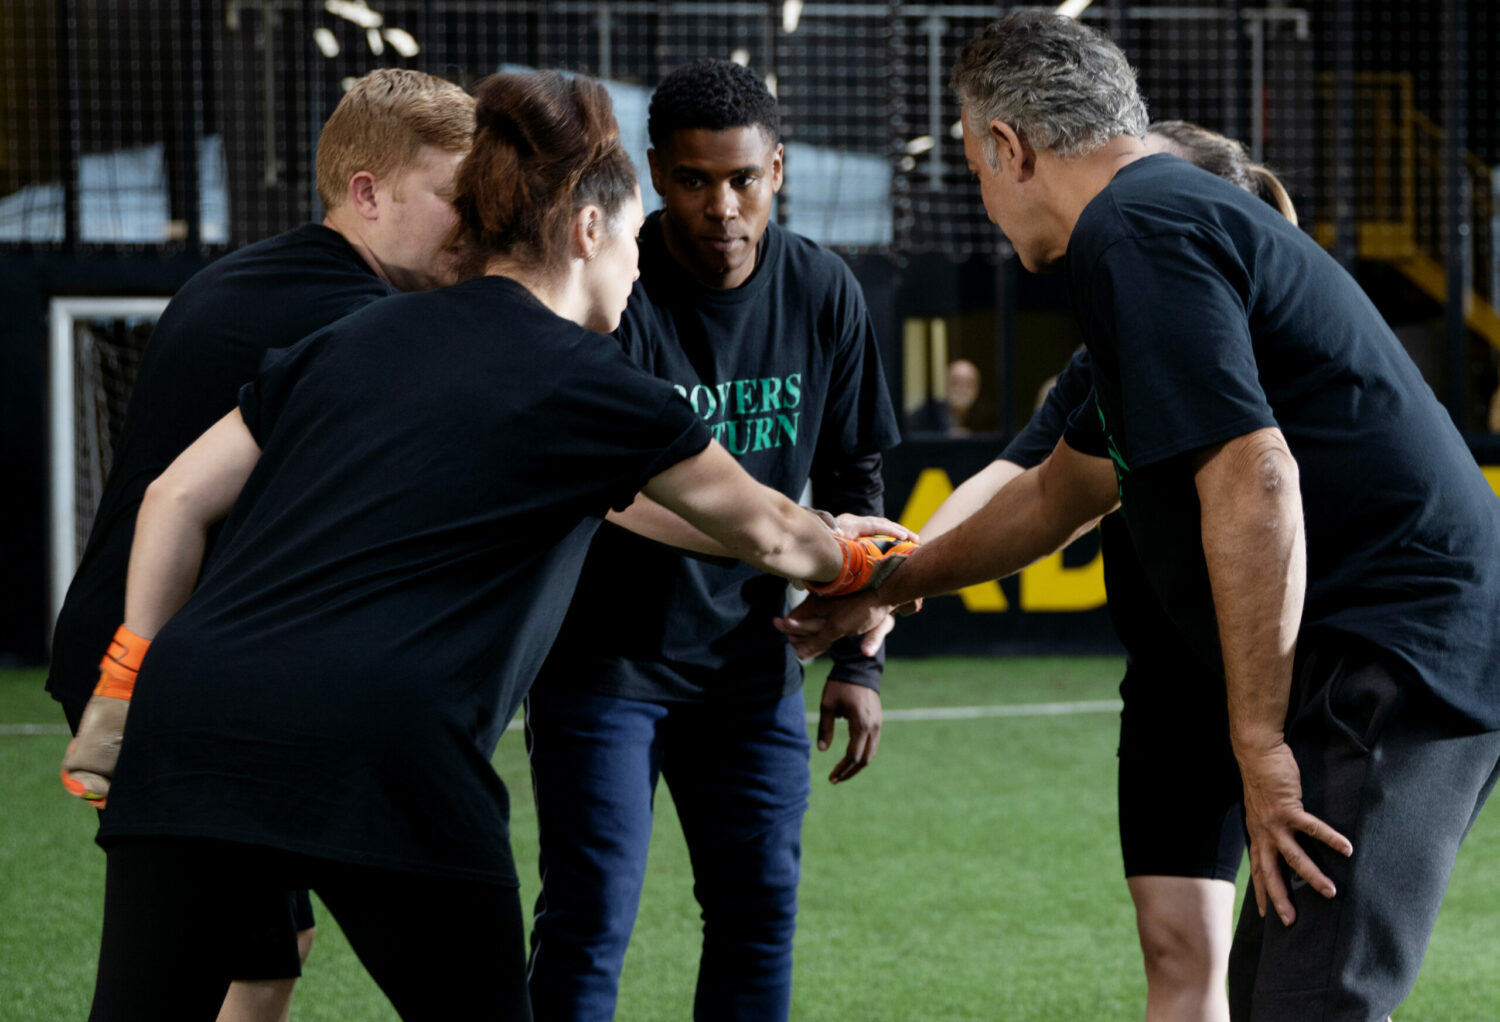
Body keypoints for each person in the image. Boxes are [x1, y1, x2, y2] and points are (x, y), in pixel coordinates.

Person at [71, 69, 911, 1021]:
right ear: (588, 230)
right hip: (388, 740)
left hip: (189, 718)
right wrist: (875, 565)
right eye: (632, 236)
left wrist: (124, 676)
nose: (641, 264)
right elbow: (771, 530)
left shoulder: (355, 333)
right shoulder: (590, 381)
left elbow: (174, 495)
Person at [778, 12, 1500, 1021]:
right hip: (1385, 649)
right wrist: (888, 585)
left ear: (1007, 147)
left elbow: (1257, 476)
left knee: (1310, 1005)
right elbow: (1057, 492)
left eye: (974, 168)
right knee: (1274, 995)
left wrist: (1259, 742)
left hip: (1395, 654)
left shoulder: (1135, 228)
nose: (981, 198)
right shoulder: (1148, 228)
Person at [49, 67, 474, 1022]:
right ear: (368, 194)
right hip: (165, 681)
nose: (480, 224)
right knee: (195, 969)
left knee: (267, 950)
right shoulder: (347, 320)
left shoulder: (260, 275)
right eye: (457, 197)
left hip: (175, 666)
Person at [523, 58, 900, 1022]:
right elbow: (599, 492)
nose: (721, 208)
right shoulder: (611, 285)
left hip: (750, 667)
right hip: (601, 664)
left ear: (778, 170)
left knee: (758, 913)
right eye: (693, 180)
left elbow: (856, 481)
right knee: (588, 922)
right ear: (656, 173)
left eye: (743, 179)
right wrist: (766, 542)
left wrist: (861, 659)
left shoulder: (823, 289)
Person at [917, 122, 1300, 1022]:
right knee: (1177, 950)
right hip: (1172, 682)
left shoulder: (1294, 347)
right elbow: (1018, 478)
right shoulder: (1112, 354)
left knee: (1314, 969)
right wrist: (896, 571)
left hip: (1291, 679)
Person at [908, 358, 983, 436]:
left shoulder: (985, 418)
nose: (961, 389)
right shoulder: (927, 413)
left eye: (968, 384)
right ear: (946, 385)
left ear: (977, 388)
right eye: (955, 382)